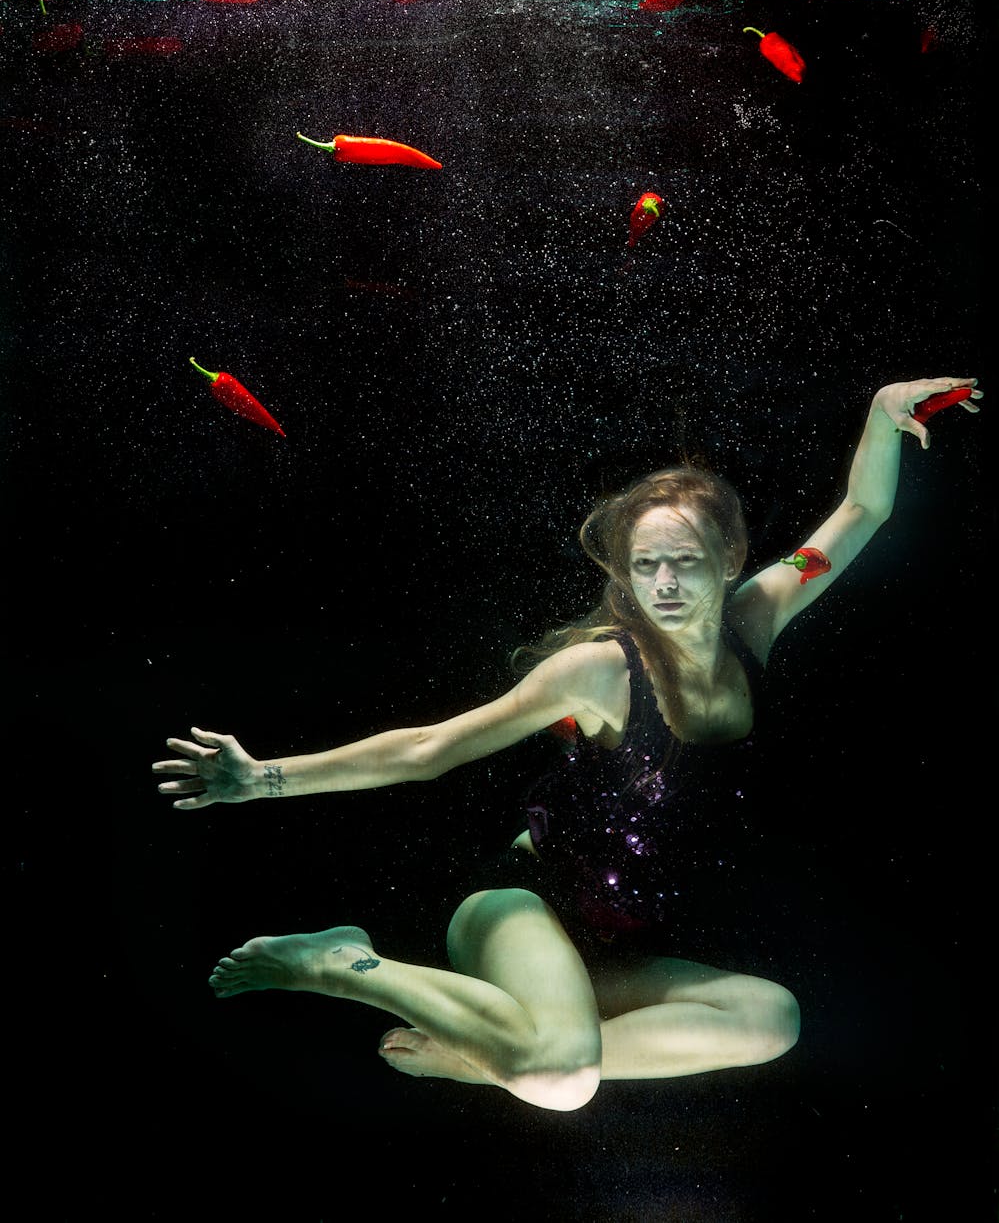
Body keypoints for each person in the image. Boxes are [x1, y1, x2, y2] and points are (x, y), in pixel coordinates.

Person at [153, 376, 981, 1112]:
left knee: (772, 1019)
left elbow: (858, 514)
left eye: (684, 563)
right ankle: (340, 964)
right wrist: (261, 777)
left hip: (615, 943)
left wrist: (879, 414)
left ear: (729, 562)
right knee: (562, 1085)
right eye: (645, 564)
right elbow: (429, 748)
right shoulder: (596, 671)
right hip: (521, 907)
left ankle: (490, 1058)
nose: (662, 584)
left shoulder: (759, 617)